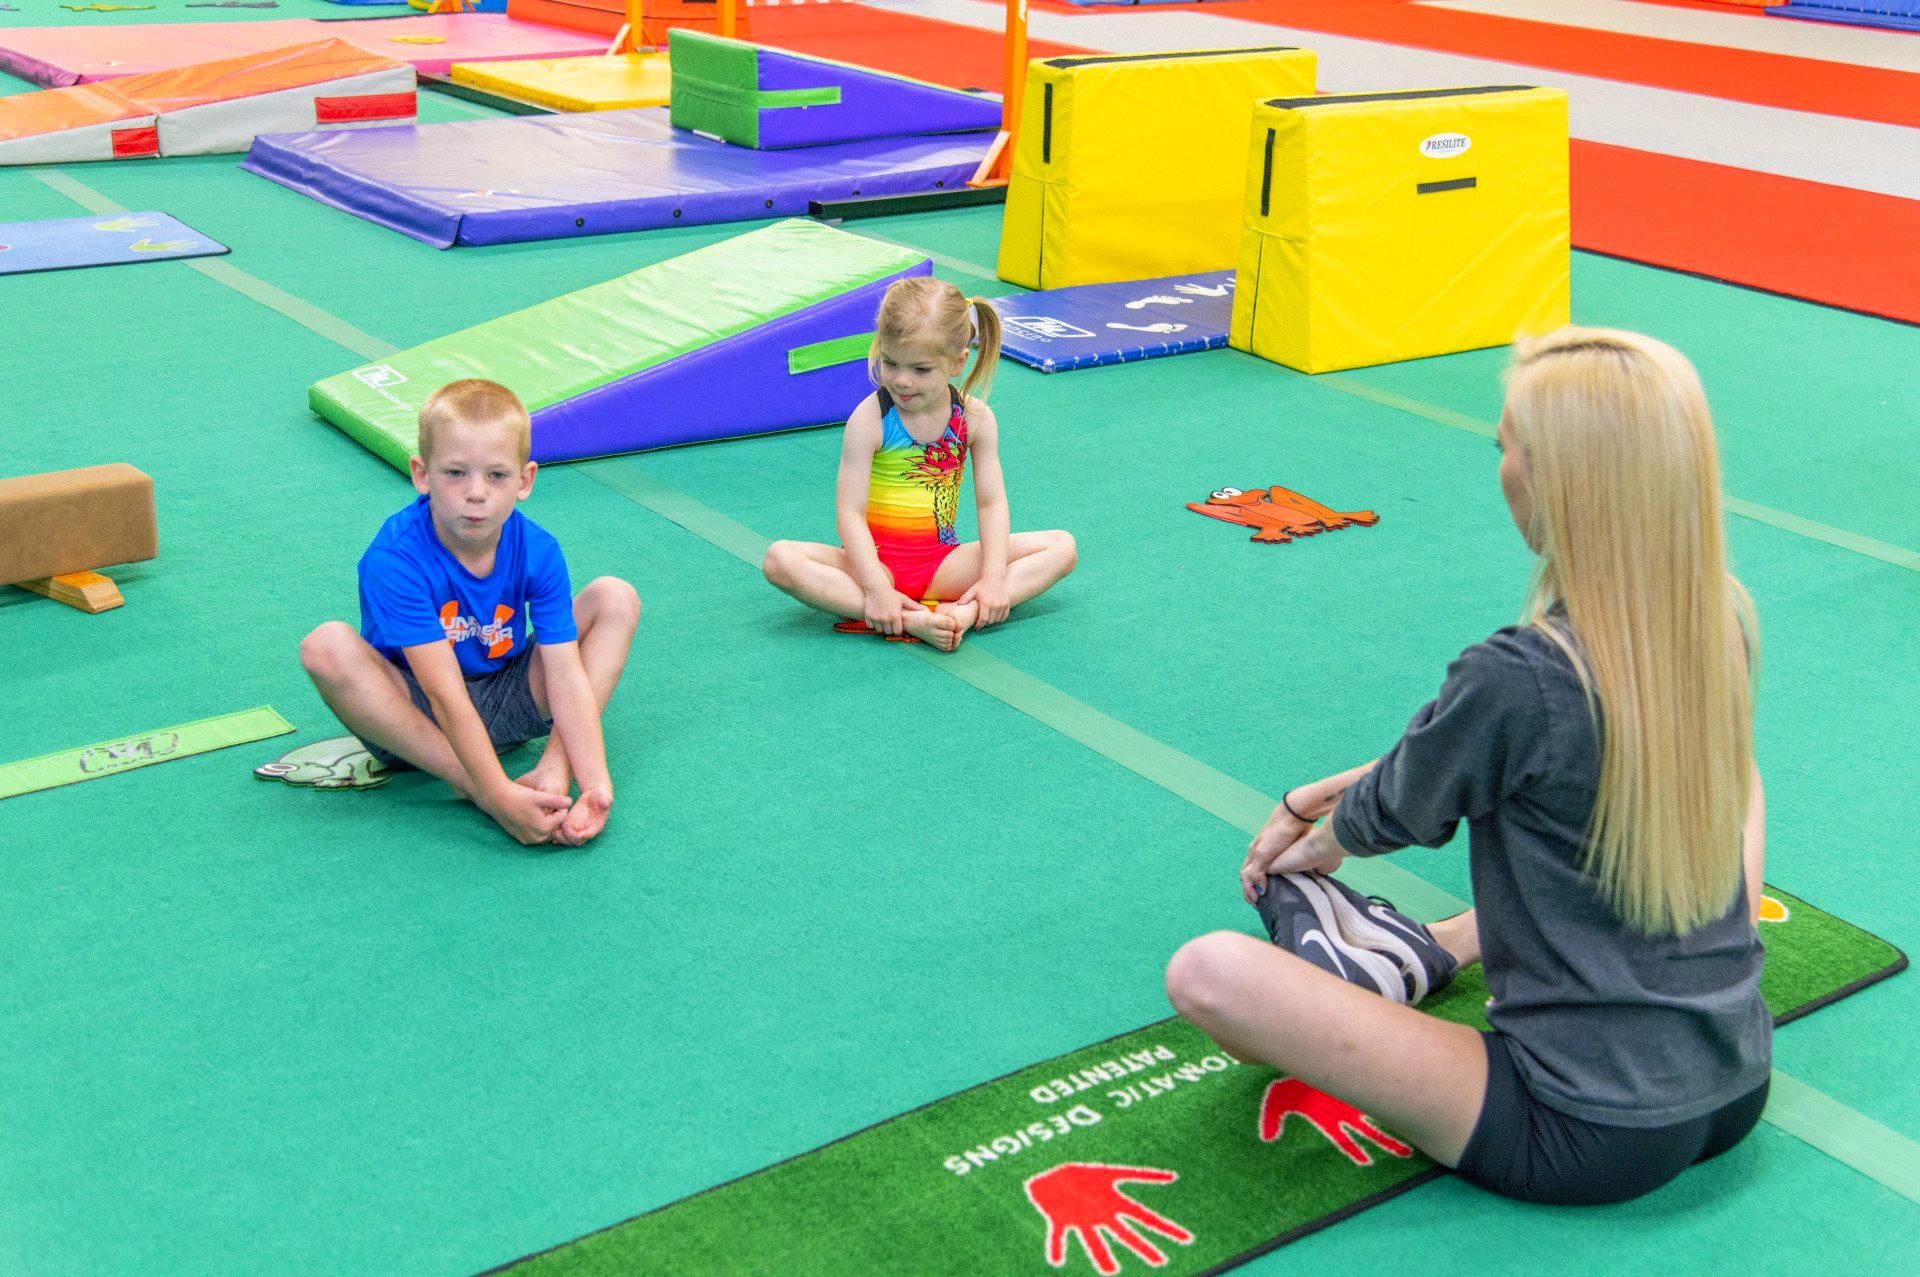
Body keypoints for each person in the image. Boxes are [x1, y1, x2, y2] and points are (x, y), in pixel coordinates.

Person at [1165, 327, 1771, 1206]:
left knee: (1210, 975)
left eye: (1507, 447)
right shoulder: (1718, 619)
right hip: (1735, 1082)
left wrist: (1318, 834)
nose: (1502, 468)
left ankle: (1403, 962)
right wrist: (1318, 797)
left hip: (1579, 1126)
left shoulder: (1518, 673)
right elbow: (1478, 750)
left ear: (1562, 478)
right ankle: (1441, 944)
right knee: (1734, 771)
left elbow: (1404, 801)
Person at [299, 379, 640, 847]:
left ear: (524, 481)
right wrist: (496, 794)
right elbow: (444, 695)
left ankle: (553, 769)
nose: (475, 493)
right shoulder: (395, 558)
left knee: (614, 598)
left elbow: (563, 673)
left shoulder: (538, 550)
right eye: (455, 473)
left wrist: (595, 781)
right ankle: (468, 780)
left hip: (505, 695)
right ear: (422, 474)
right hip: (419, 716)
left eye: (496, 476)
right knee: (326, 646)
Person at [761, 276, 1076, 652]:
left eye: (921, 369)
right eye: (890, 363)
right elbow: (849, 513)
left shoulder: (974, 420)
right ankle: (910, 618)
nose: (903, 380)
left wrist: (992, 578)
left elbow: (991, 504)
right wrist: (877, 586)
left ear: (957, 362)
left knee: (1062, 547)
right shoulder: (871, 420)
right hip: (871, 566)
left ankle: (964, 614)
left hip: (944, 566)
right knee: (779, 559)